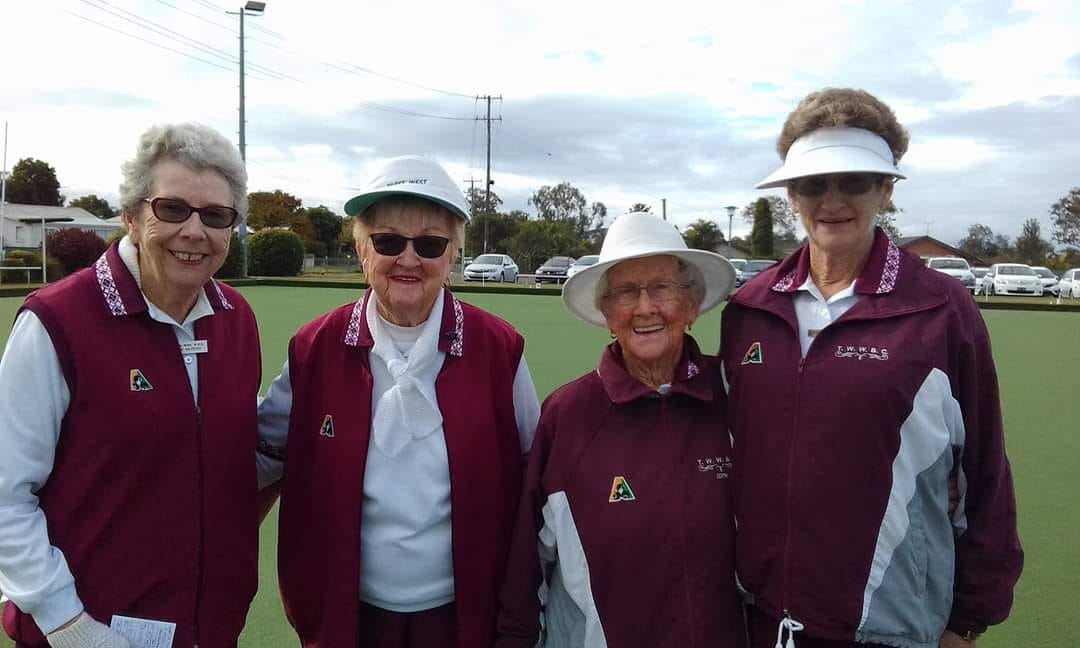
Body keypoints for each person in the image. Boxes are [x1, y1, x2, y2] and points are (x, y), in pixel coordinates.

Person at [718, 88, 1023, 648]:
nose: (832, 199)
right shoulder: (749, 309)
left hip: (891, 627)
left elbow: (984, 475)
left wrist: (966, 621)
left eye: (854, 180)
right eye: (813, 183)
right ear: (791, 195)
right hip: (759, 619)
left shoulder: (941, 307)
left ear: (886, 189)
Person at [256, 155, 541, 648]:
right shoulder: (314, 347)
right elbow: (261, 458)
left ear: (453, 256)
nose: (408, 260)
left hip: (464, 616)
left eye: (430, 244)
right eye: (388, 241)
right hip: (348, 616)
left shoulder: (499, 348)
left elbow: (534, 471)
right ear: (362, 249)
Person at [0, 123, 262, 647]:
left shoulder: (236, 317)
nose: (195, 231)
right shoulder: (57, 321)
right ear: (132, 217)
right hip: (89, 632)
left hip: (209, 631)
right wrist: (70, 626)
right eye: (172, 209)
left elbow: (237, 446)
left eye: (215, 216)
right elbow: (6, 495)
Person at [496, 210, 744, 647]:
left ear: (691, 306)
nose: (645, 307)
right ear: (608, 315)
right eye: (627, 292)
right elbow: (526, 567)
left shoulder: (735, 397)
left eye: (662, 288)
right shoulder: (567, 415)